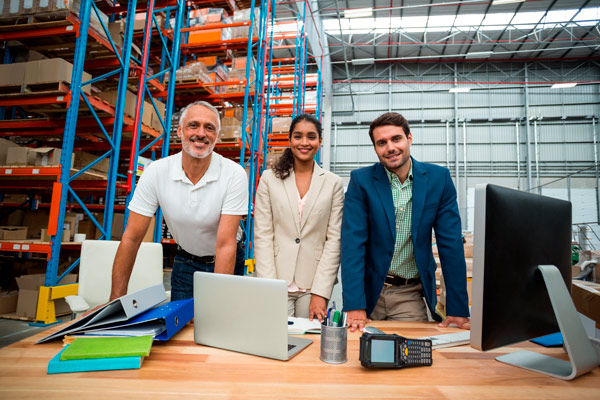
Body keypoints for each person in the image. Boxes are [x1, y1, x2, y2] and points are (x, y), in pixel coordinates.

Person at [341, 112, 470, 332]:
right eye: (382, 143)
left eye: (396, 139)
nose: (390, 148)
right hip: (369, 290)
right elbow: (352, 244)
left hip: (408, 293)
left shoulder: (439, 179)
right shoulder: (361, 181)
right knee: (355, 356)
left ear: (409, 138)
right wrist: (354, 304)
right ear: (375, 149)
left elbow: (451, 245)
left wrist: (457, 309)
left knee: (413, 356)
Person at [110, 101, 249, 301]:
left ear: (216, 137)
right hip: (186, 260)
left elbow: (226, 244)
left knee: (220, 324)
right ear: (179, 131)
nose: (201, 133)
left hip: (227, 259)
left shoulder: (233, 174)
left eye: (209, 128)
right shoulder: (157, 172)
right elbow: (131, 237)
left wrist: (218, 308)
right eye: (193, 125)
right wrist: (115, 300)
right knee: (181, 327)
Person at [254, 114, 344, 322]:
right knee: (274, 340)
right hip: (276, 279)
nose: (304, 142)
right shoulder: (269, 179)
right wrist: (268, 285)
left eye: (311, 137)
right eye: (298, 136)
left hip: (313, 284)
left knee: (310, 342)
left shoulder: (333, 183)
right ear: (290, 140)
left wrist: (321, 292)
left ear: (320, 141)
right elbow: (263, 234)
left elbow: (334, 240)